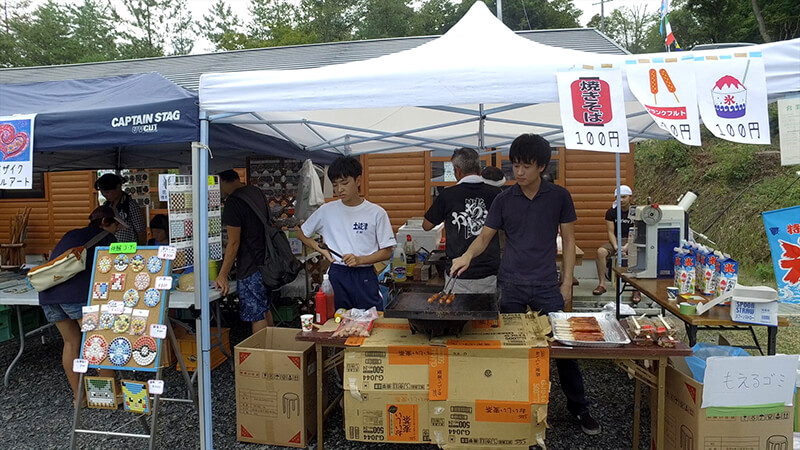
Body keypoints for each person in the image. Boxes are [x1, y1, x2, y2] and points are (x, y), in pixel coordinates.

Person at [451, 133, 601, 436]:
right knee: (509, 348)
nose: (518, 173)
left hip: (547, 285)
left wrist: (567, 283)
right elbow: (484, 237)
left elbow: (570, 241)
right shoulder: (504, 199)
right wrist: (465, 256)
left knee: (563, 348)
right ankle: (510, 405)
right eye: (515, 166)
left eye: (525, 166)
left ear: (542, 166)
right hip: (511, 285)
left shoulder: (559, 196)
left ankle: (579, 408)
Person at [39, 206, 121, 404]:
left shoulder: (72, 234)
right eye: (115, 225)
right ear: (104, 222)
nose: (117, 230)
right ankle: (108, 396)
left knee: (71, 343)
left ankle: (79, 397)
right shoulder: (106, 238)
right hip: (76, 295)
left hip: (49, 293)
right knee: (97, 341)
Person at [298, 156, 396, 311]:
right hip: (337, 274)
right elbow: (302, 234)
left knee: (371, 320)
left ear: (358, 181)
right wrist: (321, 249)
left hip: (365, 274)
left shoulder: (376, 213)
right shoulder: (326, 210)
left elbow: (386, 252)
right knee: (337, 320)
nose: (339, 189)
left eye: (344, 183)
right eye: (335, 185)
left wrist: (360, 259)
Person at [423, 148, 501, 294]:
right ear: (479, 168)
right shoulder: (496, 194)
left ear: (457, 170)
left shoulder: (447, 195)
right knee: (487, 315)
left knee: (457, 314)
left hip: (457, 273)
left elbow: (426, 225)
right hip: (490, 273)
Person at [216, 169, 273, 334]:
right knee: (265, 308)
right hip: (266, 262)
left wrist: (223, 274)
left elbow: (233, 243)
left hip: (250, 266)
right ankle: (273, 351)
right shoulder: (256, 192)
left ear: (223, 181)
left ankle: (261, 356)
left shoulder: (233, 202)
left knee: (256, 314)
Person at [593, 185, 640, 303]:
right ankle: (602, 284)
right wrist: (616, 247)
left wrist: (627, 247)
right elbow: (610, 231)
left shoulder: (636, 211)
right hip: (616, 241)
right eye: (618, 197)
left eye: (624, 197)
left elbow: (636, 231)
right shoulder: (611, 212)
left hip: (632, 241)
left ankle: (636, 288)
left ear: (630, 197)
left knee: (638, 254)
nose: (621, 200)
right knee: (601, 252)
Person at [95, 173, 147, 244]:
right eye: (102, 193)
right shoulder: (106, 205)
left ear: (118, 187)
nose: (105, 195)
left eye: (107, 192)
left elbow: (141, 231)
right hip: (109, 246)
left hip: (128, 248)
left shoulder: (131, 205)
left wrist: (141, 249)